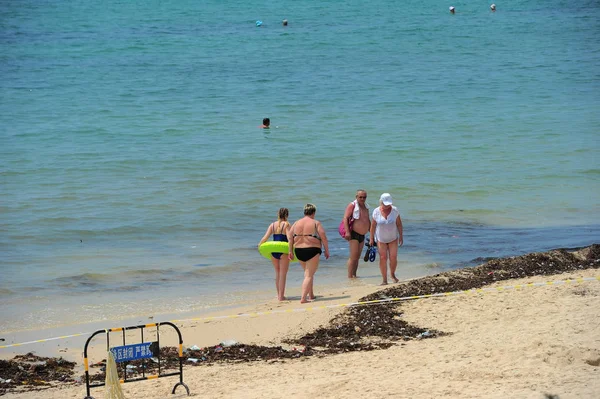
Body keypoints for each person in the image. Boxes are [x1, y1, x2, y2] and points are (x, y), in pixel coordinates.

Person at [288, 203, 329, 303]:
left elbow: (290, 237)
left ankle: (311, 295)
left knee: (308, 273)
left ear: (304, 212)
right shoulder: (315, 223)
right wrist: (326, 250)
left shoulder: (296, 223)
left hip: (298, 250)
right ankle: (303, 298)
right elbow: (323, 236)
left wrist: (290, 251)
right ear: (313, 212)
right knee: (309, 275)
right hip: (312, 250)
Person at [369, 193, 404, 285]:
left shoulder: (395, 210)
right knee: (383, 258)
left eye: (389, 204)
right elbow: (372, 226)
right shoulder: (376, 211)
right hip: (381, 239)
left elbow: (399, 224)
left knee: (393, 258)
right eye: (385, 204)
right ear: (381, 202)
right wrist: (371, 238)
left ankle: (392, 274)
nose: (387, 206)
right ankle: (384, 280)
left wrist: (401, 236)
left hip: (393, 238)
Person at [258, 208, 291, 301]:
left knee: (277, 273)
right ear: (287, 215)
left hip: (274, 252)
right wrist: (292, 249)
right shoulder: (287, 225)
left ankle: (278, 295)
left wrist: (259, 246)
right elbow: (289, 238)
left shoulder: (272, 225)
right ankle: (281, 296)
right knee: (283, 274)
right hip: (283, 252)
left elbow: (265, 237)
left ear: (278, 214)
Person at [342, 189, 370, 278]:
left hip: (362, 235)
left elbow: (367, 219)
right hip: (353, 234)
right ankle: (350, 276)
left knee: (357, 257)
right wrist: (347, 232)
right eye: (360, 197)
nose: (362, 199)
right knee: (353, 256)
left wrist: (372, 231)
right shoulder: (352, 205)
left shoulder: (366, 207)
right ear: (356, 197)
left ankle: (354, 275)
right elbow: (345, 218)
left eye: (364, 197)